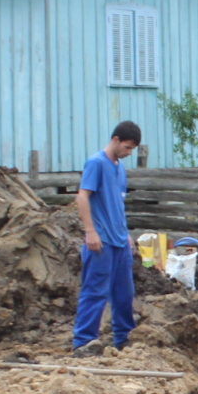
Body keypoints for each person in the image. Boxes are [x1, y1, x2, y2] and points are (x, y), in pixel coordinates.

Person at [74, 121, 141, 355]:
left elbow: (117, 203)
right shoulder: (96, 163)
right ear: (115, 140)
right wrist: (90, 231)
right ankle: (84, 342)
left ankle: (123, 337)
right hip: (100, 241)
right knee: (95, 292)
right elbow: (83, 197)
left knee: (125, 293)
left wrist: (126, 234)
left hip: (119, 241)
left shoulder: (119, 167)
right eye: (127, 147)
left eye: (132, 149)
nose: (129, 153)